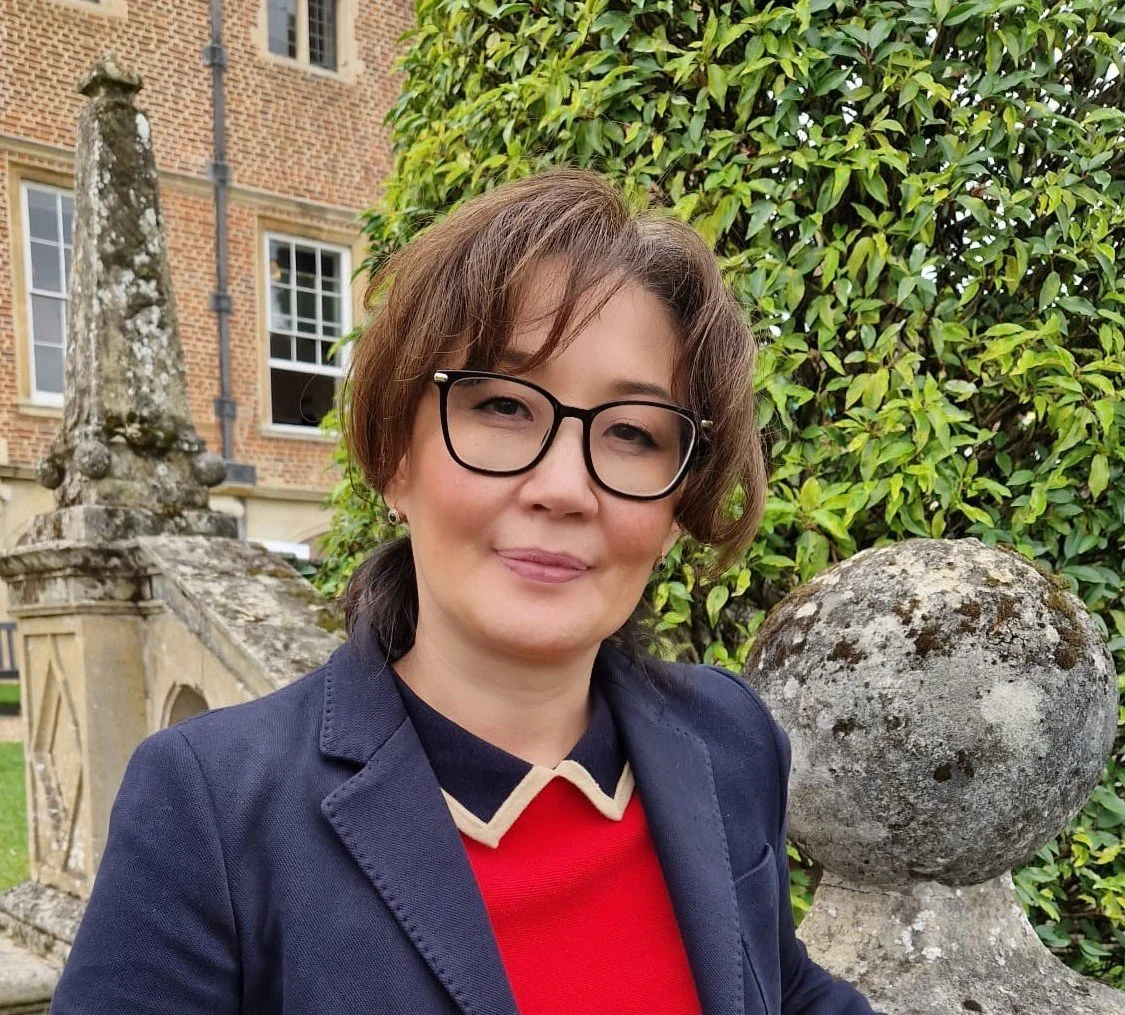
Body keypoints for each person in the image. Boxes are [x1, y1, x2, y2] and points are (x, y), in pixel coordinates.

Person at [50, 168, 881, 1014]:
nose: (564, 487)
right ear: (395, 459)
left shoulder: (729, 737)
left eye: (632, 432)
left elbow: (782, 983)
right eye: (501, 407)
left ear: (676, 506)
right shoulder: (212, 809)